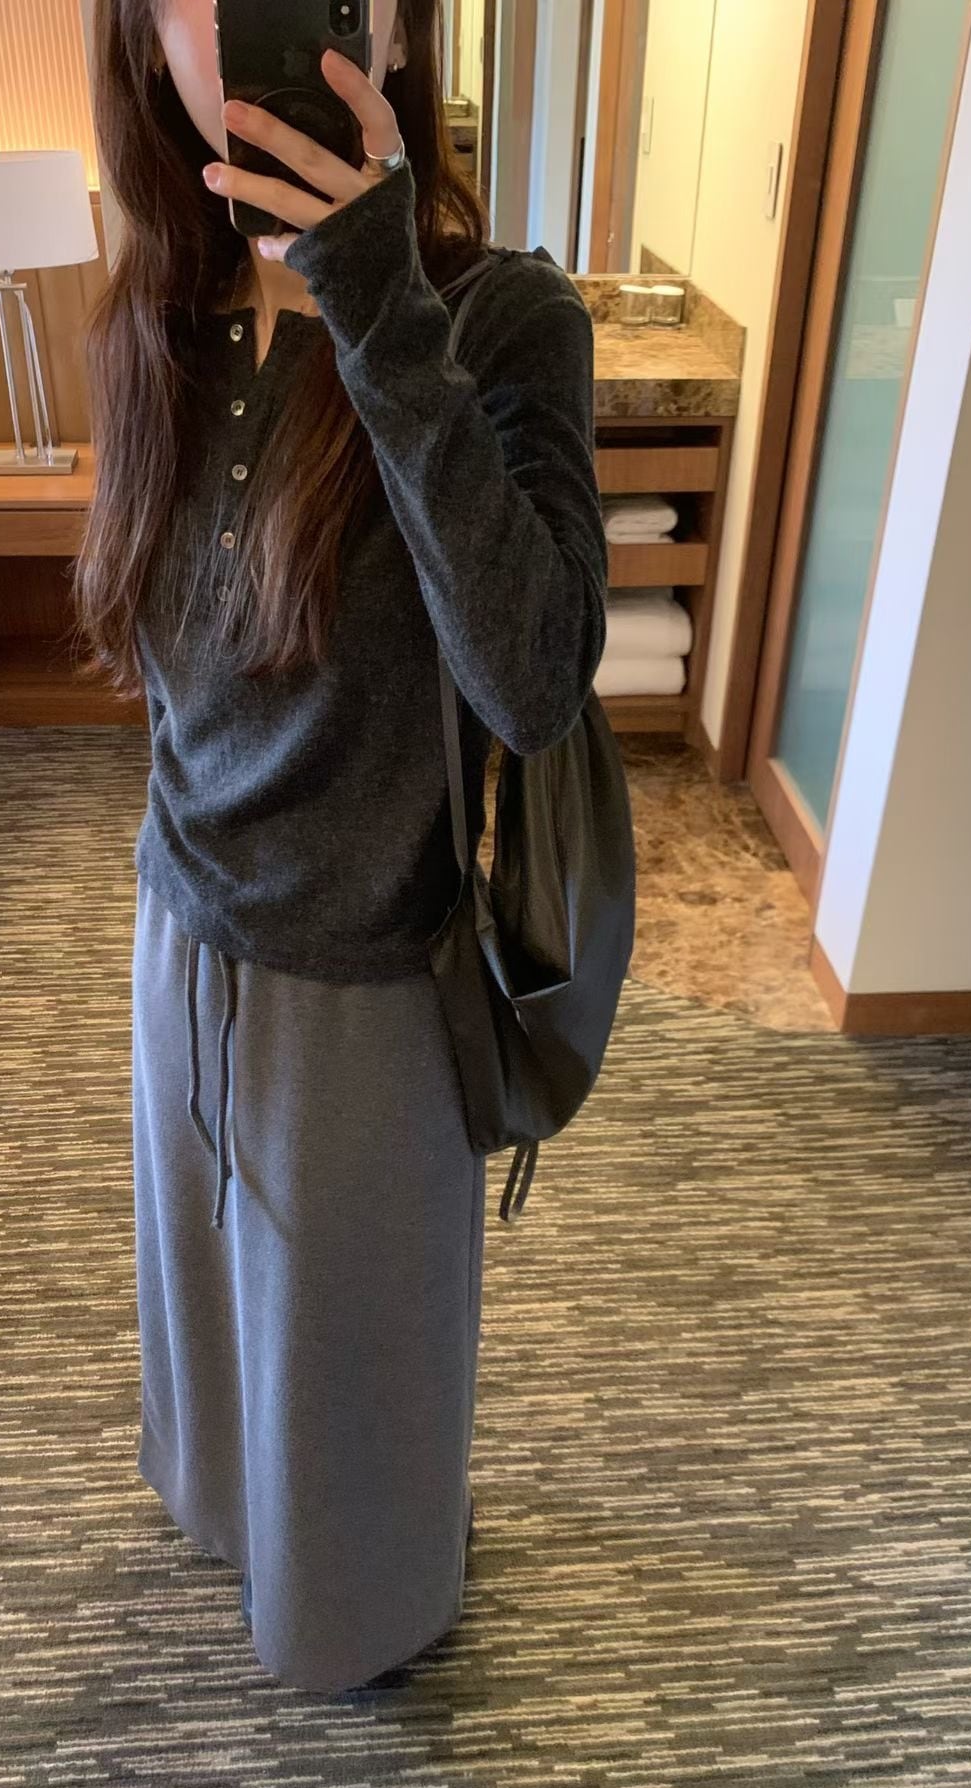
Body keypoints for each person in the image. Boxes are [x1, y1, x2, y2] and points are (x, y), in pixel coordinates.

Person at [76, 0, 608, 1693]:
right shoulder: (160, 307)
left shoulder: (501, 315)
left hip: (369, 978)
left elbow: (535, 677)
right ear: (141, 36)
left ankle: (360, 1612)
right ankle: (241, 1519)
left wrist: (373, 289)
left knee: (358, 1351)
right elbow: (175, 667)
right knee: (218, 1304)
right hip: (180, 925)